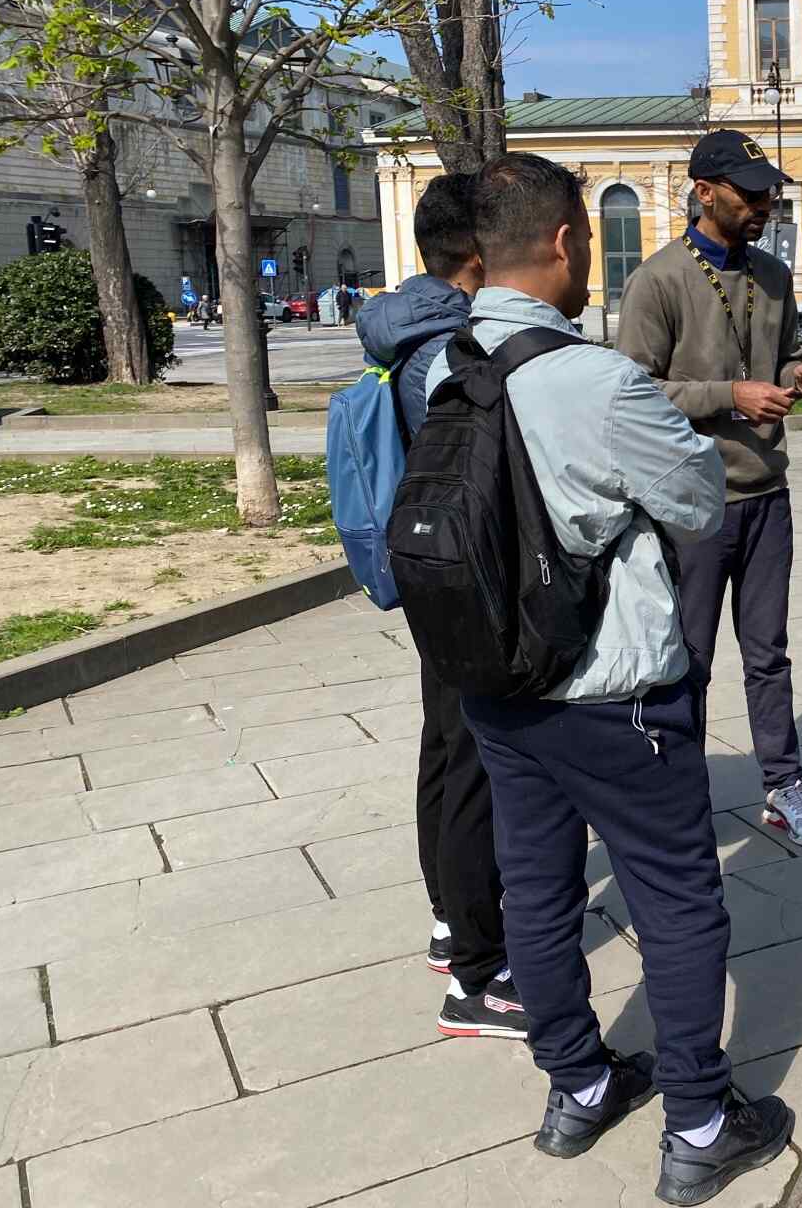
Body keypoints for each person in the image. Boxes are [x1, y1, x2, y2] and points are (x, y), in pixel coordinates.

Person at [430, 153, 792, 1201]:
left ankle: (576, 1089)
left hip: (496, 685)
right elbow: (693, 501)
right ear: (559, 243)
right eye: (585, 235)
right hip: (611, 686)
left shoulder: (442, 364)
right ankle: (699, 1120)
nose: (589, 252)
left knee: (539, 891)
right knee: (679, 899)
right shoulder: (592, 379)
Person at [617, 129, 802, 849]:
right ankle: (681, 795)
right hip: (692, 505)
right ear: (704, 191)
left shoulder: (773, 275)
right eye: (749, 192)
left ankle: (784, 782)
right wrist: (730, 396)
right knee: (690, 658)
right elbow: (635, 392)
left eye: (768, 191)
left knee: (768, 650)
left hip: (767, 494)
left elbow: (786, 352)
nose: (764, 204)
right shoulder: (658, 280)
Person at [355, 173, 516, 1040]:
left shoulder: (400, 326)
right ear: (478, 254)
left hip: (420, 565)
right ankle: (479, 978)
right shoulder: (446, 350)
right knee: (473, 763)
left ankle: (452, 918)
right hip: (460, 575)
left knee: (443, 745)